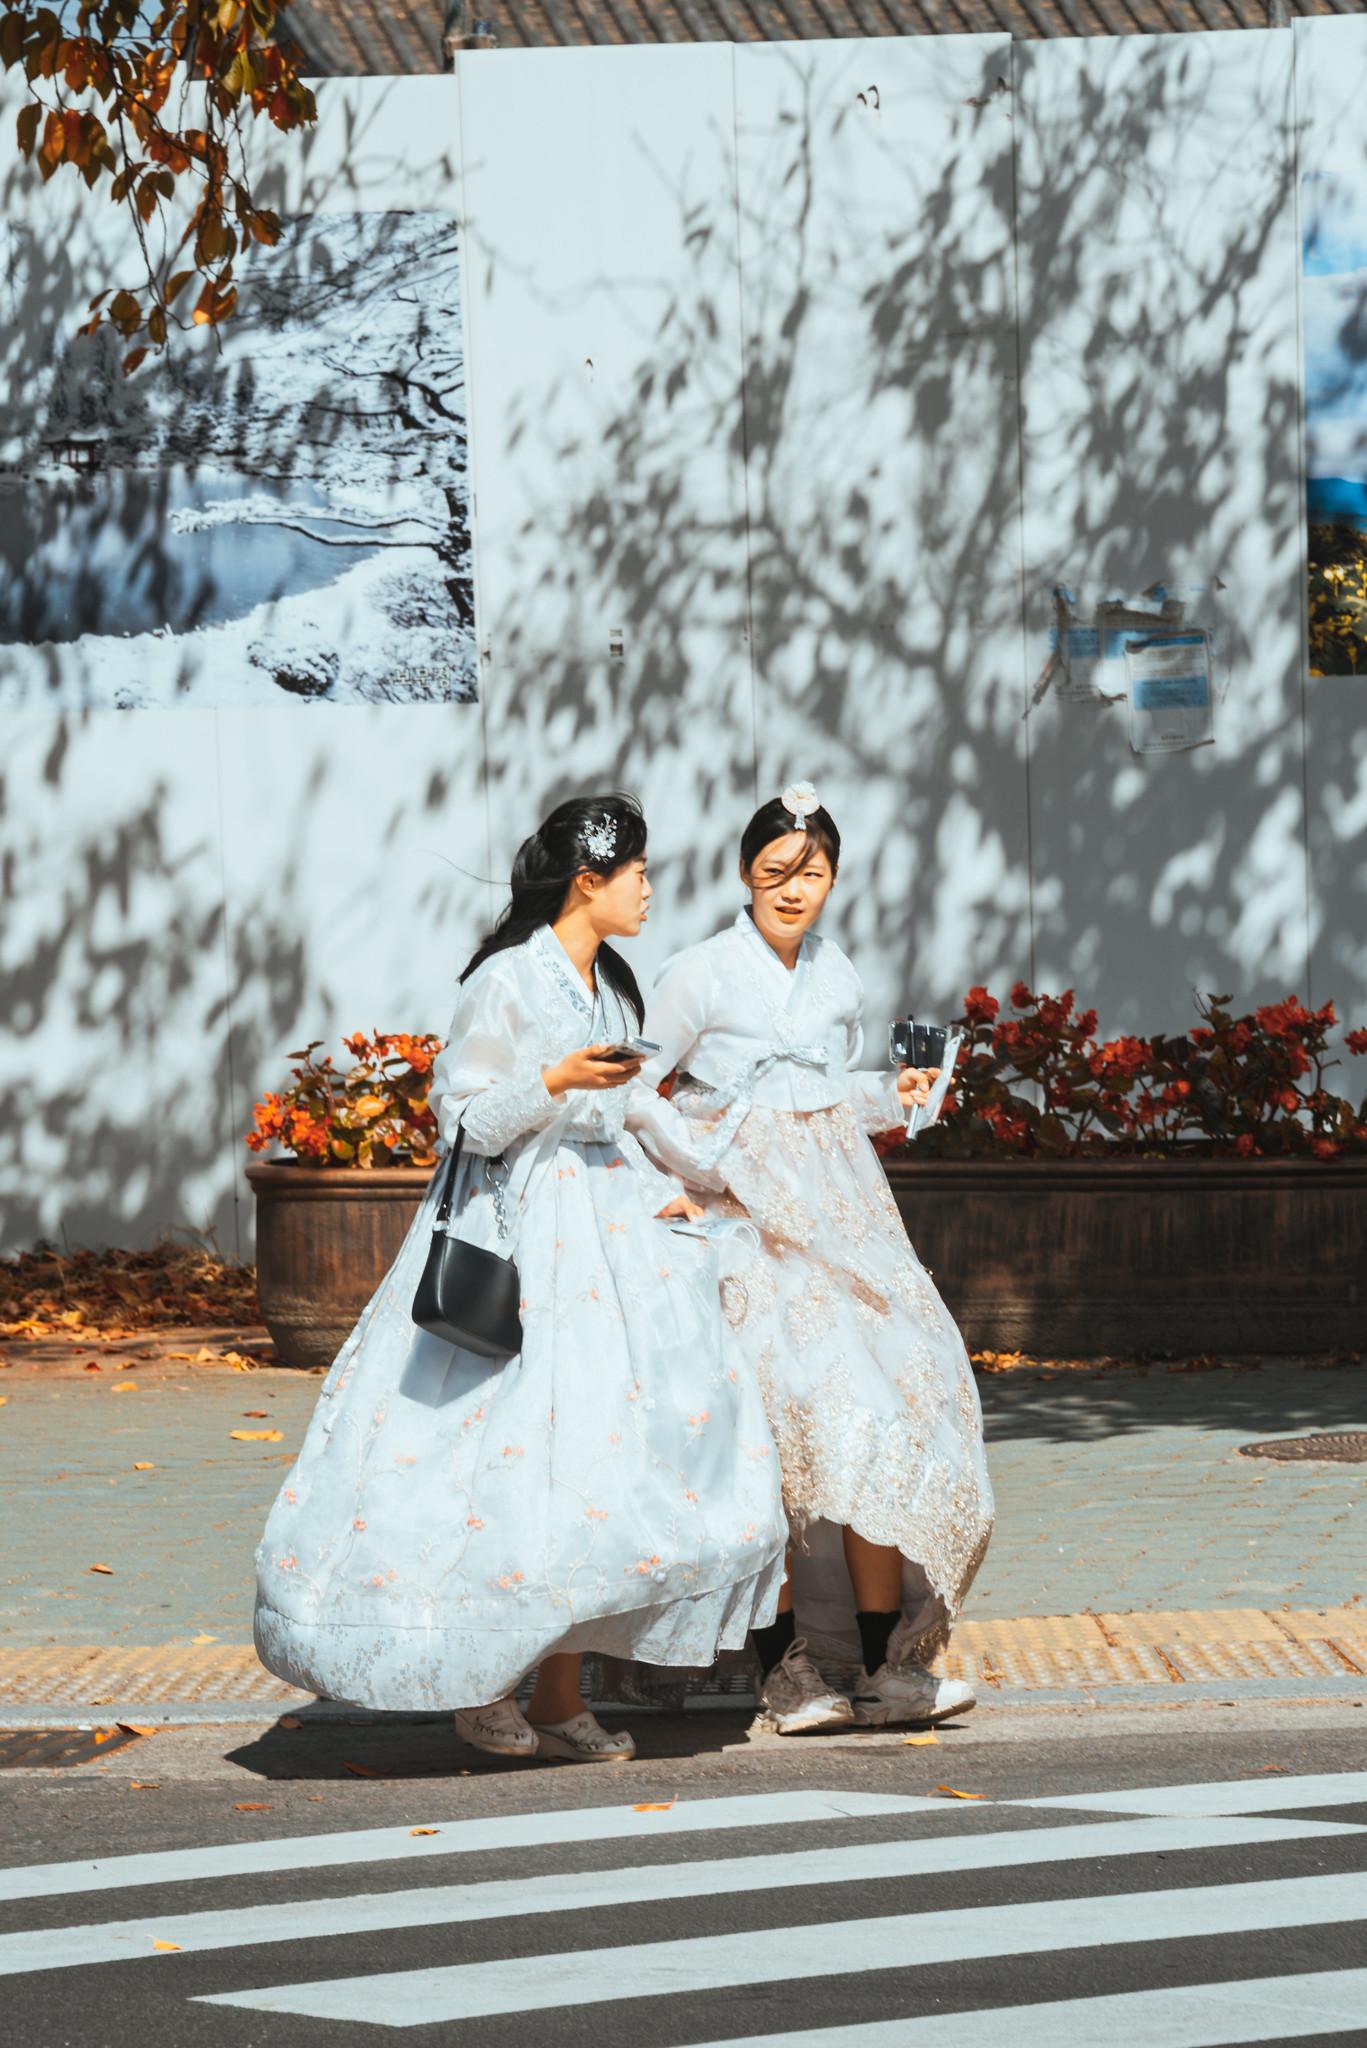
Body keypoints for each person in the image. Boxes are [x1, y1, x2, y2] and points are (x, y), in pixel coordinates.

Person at [254, 793, 787, 1762]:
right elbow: (459, 1120)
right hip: (525, 1238)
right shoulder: (506, 979)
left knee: (600, 1467)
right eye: (637, 872)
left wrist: (692, 1183)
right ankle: (485, 1681)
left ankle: (555, 1693)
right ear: (589, 878)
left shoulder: (611, 986)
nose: (650, 889)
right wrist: (549, 1081)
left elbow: (634, 1111)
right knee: (501, 1462)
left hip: (612, 1231)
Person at [628, 782, 994, 1735]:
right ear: (745, 873)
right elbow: (630, 1088)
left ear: (834, 879)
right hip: (742, 1226)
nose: (793, 889)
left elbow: (828, 1101)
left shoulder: (838, 976)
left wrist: (901, 1091)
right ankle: (789, 1671)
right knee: (791, 1438)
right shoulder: (697, 973)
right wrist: (688, 1170)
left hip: (846, 1222)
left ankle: (885, 1667)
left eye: (813, 872)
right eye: (775, 871)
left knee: (893, 1415)